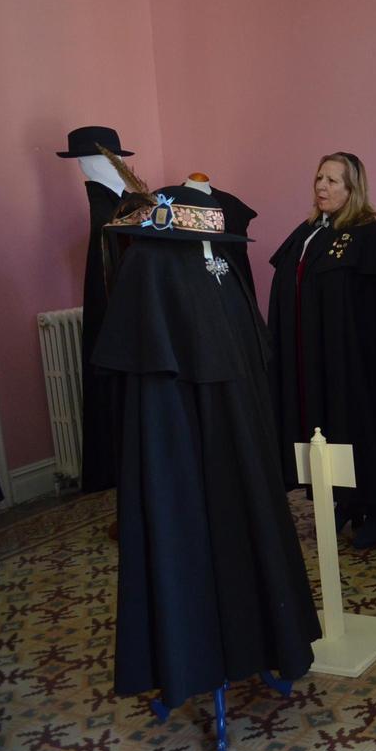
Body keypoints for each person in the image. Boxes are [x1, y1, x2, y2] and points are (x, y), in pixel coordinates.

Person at [94, 185, 321, 710]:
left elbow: (247, 353)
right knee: (188, 547)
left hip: (237, 437)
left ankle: (257, 646)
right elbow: (152, 377)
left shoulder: (220, 261)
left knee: (247, 529)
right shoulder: (148, 267)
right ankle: (194, 661)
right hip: (179, 446)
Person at [267, 152, 376, 550]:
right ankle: (346, 500)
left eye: (332, 181)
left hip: (356, 361)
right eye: (319, 178)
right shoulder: (309, 230)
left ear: (352, 188)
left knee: (361, 427)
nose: (321, 187)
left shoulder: (367, 235)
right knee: (326, 425)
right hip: (315, 357)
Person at [58, 125, 131, 497]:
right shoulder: (101, 204)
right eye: (82, 161)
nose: (84, 167)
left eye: (88, 159)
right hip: (113, 307)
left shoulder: (124, 200)